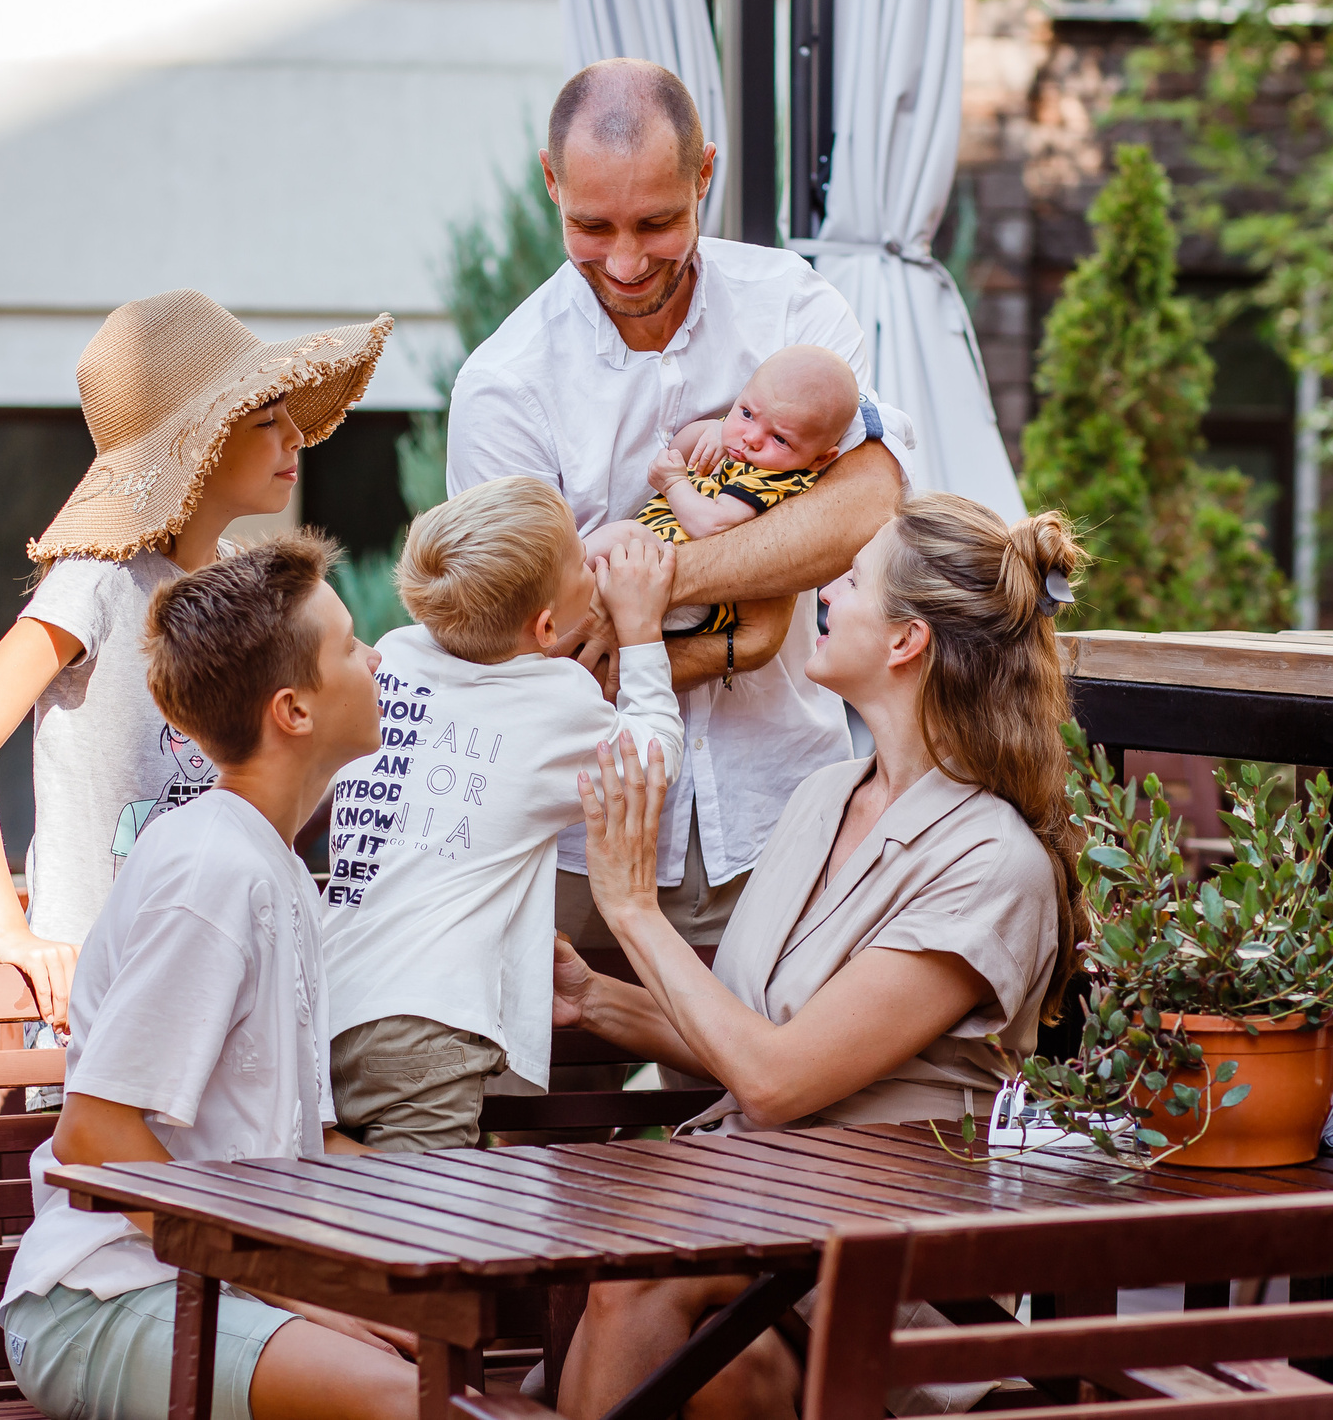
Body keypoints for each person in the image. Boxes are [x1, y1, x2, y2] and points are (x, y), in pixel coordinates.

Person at [551, 495, 1090, 1420]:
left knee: (633, 1282)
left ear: (906, 642)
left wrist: (634, 911)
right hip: (762, 1212)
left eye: (849, 579)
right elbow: (747, 1038)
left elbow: (774, 1080)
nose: (824, 594)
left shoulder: (991, 861)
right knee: (709, 1361)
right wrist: (594, 998)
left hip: (891, 1253)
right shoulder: (824, 795)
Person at [446, 58, 914, 951]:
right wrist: (752, 618)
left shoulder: (793, 307)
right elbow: (537, 651)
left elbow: (869, 505)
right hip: (577, 839)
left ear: (706, 172)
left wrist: (649, 591)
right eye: (591, 225)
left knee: (775, 1090)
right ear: (552, 183)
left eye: (657, 222)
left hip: (787, 816)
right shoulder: (503, 387)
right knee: (545, 1093)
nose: (625, 262)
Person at [0, 533, 420, 1420]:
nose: (374, 656)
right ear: (293, 710)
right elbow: (93, 1129)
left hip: (204, 1282)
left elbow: (302, 1147)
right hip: (105, 1300)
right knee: (411, 1397)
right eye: (348, 645)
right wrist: (297, 1290)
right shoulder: (214, 874)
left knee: (473, 1347)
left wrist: (453, 1208)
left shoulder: (269, 864)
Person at [0, 292, 389, 1029]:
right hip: (90, 993)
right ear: (197, 444)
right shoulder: (99, 578)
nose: (295, 437)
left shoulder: (242, 583)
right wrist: (11, 929)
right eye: (267, 419)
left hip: (213, 974)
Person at [319, 476, 682, 1151]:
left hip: (328, 995)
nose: (594, 563)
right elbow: (652, 756)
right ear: (546, 627)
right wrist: (640, 633)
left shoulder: (392, 655)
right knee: (419, 1226)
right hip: (426, 1021)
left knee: (354, 1198)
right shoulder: (556, 698)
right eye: (581, 559)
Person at [580, 344, 859, 636]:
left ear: (820, 458)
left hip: (692, 596)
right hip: (651, 571)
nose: (750, 438)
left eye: (779, 438)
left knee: (625, 536)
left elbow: (711, 526)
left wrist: (674, 483)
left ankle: (556, 578)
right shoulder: (738, 441)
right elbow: (677, 451)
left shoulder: (772, 479)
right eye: (747, 413)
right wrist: (709, 431)